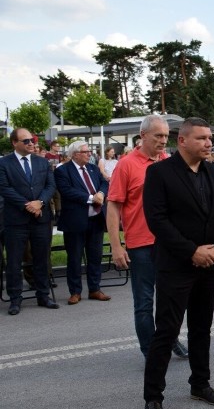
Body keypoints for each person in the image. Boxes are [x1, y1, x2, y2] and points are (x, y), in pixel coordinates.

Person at [142, 117, 214, 409]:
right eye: (202, 138)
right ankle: (153, 397)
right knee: (167, 331)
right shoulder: (159, 173)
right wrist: (192, 251)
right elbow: (157, 220)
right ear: (182, 141)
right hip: (176, 266)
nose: (209, 143)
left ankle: (200, 384)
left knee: (201, 327)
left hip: (209, 265)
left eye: (210, 138)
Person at [107, 115, 188, 359]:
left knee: (171, 299)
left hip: (169, 242)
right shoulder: (127, 164)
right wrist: (116, 246)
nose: (164, 141)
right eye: (158, 136)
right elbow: (113, 207)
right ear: (143, 136)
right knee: (144, 302)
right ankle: (150, 351)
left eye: (166, 136)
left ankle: (170, 339)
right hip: (141, 244)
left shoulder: (169, 161)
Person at [0, 128, 59, 315]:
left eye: (32, 140)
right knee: (15, 260)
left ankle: (43, 295)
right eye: (26, 141)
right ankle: (15, 299)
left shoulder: (42, 162)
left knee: (41, 258)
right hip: (16, 220)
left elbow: (50, 185)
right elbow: (4, 188)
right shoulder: (4, 163)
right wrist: (27, 205)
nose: (31, 143)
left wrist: (40, 203)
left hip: (40, 219)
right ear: (14, 143)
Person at [55, 141, 111, 305]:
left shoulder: (93, 168)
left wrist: (101, 192)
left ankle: (94, 289)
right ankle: (75, 291)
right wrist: (91, 198)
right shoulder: (63, 170)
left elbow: (104, 182)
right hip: (75, 221)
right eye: (86, 151)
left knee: (95, 256)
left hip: (96, 219)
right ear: (75, 154)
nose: (89, 154)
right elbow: (66, 191)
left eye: (90, 151)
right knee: (74, 257)